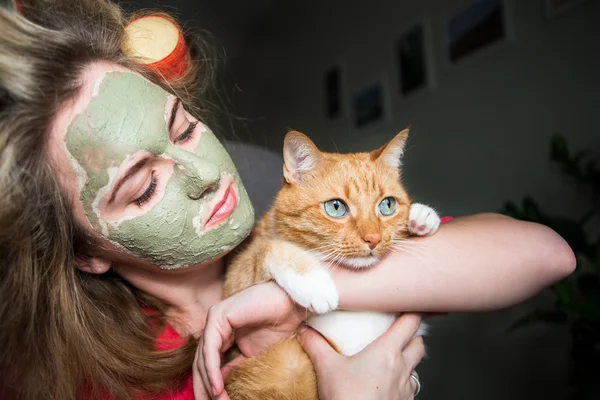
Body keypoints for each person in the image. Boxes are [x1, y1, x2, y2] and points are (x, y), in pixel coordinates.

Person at [0, 1, 575, 400]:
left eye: (184, 128)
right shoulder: (80, 384)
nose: (203, 172)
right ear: (85, 253)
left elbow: (547, 254)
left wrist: (292, 297)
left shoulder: (315, 239)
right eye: (145, 185)